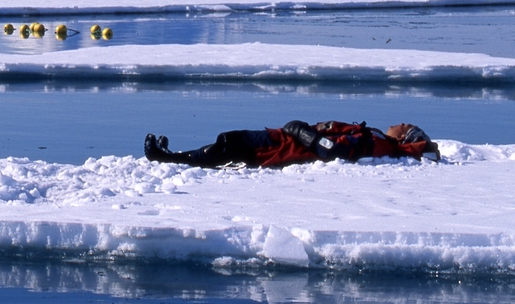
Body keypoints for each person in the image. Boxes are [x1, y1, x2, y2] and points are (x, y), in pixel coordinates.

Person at [144, 121, 439, 168]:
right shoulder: (376, 138)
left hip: (284, 146)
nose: (400, 123)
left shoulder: (377, 143)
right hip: (283, 139)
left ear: (405, 137)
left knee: (229, 144)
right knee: (229, 140)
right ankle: (171, 155)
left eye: (405, 126)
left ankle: (166, 157)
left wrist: (299, 131)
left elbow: (332, 150)